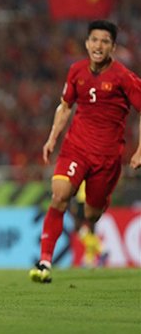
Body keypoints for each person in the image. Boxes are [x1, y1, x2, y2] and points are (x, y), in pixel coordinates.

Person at [30, 20, 141, 283]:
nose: (98, 46)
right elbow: (65, 107)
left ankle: (95, 218)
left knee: (91, 214)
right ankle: (45, 261)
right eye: (94, 40)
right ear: (87, 43)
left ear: (113, 47)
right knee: (60, 195)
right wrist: (52, 138)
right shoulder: (76, 71)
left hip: (107, 158)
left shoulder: (124, 78)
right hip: (76, 149)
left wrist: (139, 151)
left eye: (105, 41)